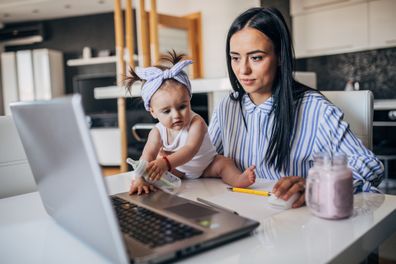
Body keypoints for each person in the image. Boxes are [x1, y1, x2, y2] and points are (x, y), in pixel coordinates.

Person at [207, 7, 384, 208]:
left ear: (281, 56)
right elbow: (205, 159)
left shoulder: (315, 109)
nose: (243, 69)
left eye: (256, 57)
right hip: (239, 212)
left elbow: (369, 165)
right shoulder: (227, 106)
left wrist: (314, 185)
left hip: (292, 221)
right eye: (235, 58)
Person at [124, 51, 256, 195]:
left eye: (182, 106)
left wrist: (165, 162)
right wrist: (141, 176)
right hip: (180, 170)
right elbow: (147, 155)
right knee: (154, 173)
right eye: (166, 111)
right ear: (153, 112)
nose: (176, 116)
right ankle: (141, 183)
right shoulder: (157, 132)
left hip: (207, 165)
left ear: (189, 99)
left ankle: (238, 179)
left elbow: (190, 150)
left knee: (225, 163)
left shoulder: (196, 123)